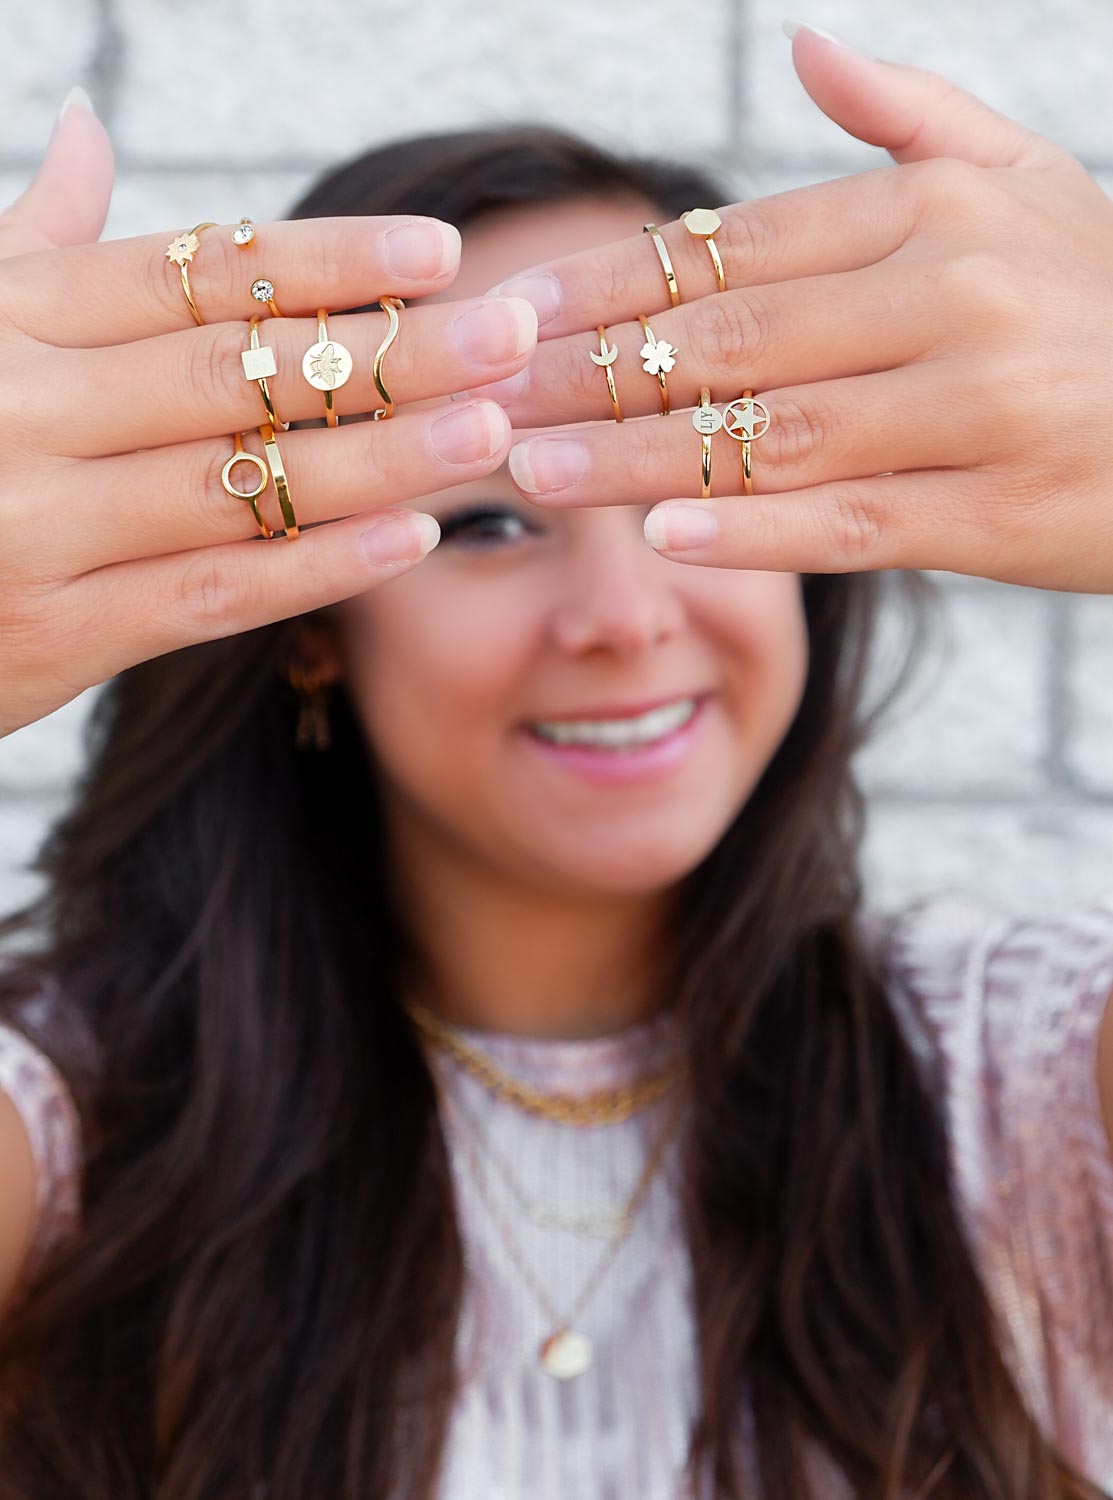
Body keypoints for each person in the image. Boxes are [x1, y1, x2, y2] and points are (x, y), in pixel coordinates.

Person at [0, 21, 1112, 1500]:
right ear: (307, 623)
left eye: (696, 477)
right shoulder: (67, 1133)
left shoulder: (1016, 1090)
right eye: (490, 523)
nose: (622, 618)